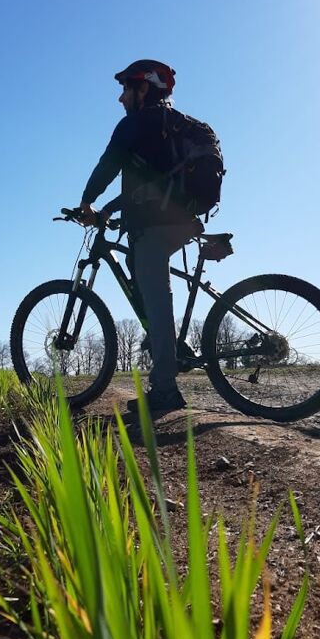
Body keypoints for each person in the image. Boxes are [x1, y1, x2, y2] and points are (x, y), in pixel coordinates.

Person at [79, 59, 204, 412]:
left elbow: (109, 163)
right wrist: (110, 209)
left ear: (143, 89)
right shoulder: (173, 125)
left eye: (125, 89)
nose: (121, 99)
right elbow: (152, 183)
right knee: (138, 265)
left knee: (157, 295)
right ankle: (161, 341)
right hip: (179, 218)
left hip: (155, 225)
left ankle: (165, 389)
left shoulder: (137, 123)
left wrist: (87, 201)